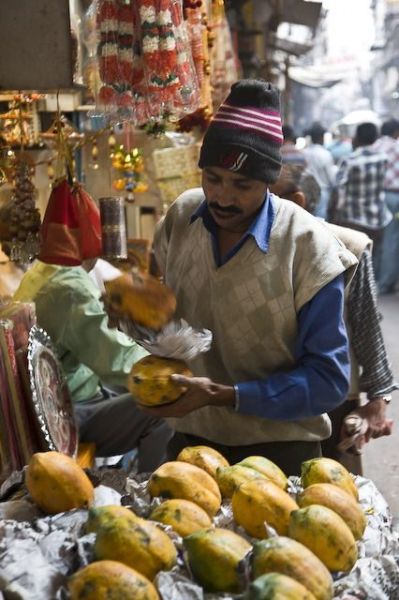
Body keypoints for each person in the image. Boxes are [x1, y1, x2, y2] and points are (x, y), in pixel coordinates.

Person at [145, 79, 358, 476]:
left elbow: (328, 381)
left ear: (268, 181)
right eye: (212, 178)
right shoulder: (180, 217)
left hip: (281, 455)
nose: (223, 197)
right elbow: (170, 317)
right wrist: (135, 314)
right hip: (190, 447)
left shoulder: (308, 246)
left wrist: (227, 396)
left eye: (242, 185)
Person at [13, 179, 172, 472]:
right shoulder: (69, 285)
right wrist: (174, 372)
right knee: (166, 409)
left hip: (69, 395)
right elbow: (117, 360)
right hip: (67, 413)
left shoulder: (41, 269)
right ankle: (152, 494)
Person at [270, 164, 396, 472]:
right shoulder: (257, 246)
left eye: (266, 196)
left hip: (332, 398)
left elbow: (366, 325)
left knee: (333, 490)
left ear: (296, 201)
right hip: (270, 390)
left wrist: (378, 398)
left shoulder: (347, 245)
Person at [329, 122, 391, 282]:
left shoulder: (350, 160)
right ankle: (371, 290)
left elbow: (338, 190)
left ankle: (356, 295)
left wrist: (335, 216)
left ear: (357, 137)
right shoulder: (383, 158)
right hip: (378, 219)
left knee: (354, 261)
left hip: (353, 220)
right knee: (373, 257)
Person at [373, 118, 399, 294]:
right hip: (393, 197)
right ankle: (385, 283)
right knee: (392, 239)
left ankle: (373, 278)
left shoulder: (373, 146)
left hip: (374, 196)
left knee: (377, 238)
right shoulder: (397, 147)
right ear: (396, 132)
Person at [303, 122, 336, 219]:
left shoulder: (304, 153)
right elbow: (331, 179)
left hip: (306, 192)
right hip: (322, 194)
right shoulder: (325, 154)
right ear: (321, 137)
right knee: (321, 223)